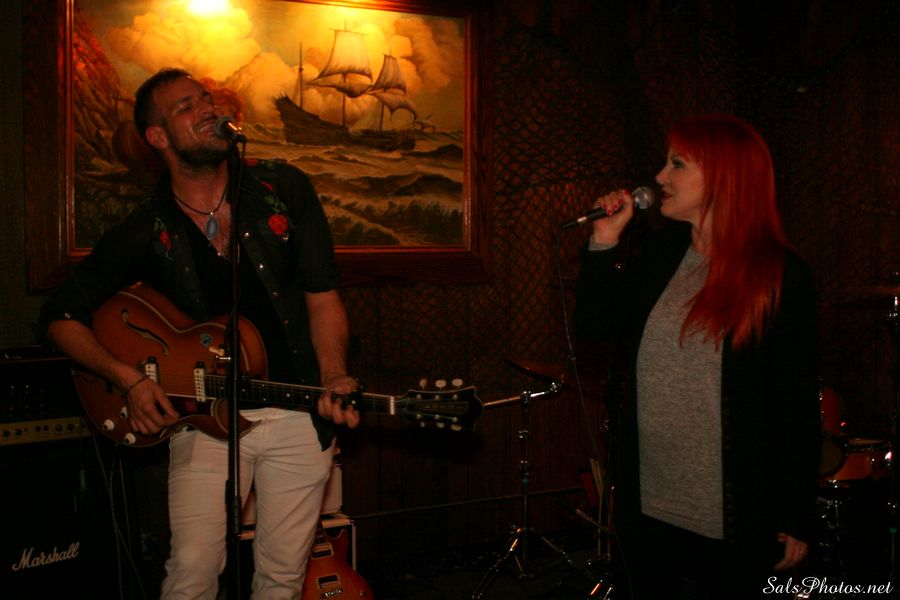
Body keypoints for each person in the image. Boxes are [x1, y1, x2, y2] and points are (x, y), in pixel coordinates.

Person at [39, 67, 360, 599]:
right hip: (204, 422)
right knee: (191, 574)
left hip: (300, 415)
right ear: (158, 137)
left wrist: (334, 375)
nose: (208, 108)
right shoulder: (147, 225)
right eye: (186, 106)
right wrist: (129, 380)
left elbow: (322, 294)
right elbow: (59, 315)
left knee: (282, 578)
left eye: (206, 98)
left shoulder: (283, 188)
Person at [573, 114, 821, 599]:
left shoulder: (781, 276)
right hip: (648, 504)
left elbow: (794, 403)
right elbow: (594, 327)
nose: (660, 176)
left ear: (724, 176)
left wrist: (796, 511)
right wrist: (603, 242)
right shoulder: (663, 252)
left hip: (730, 515)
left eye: (677, 164)